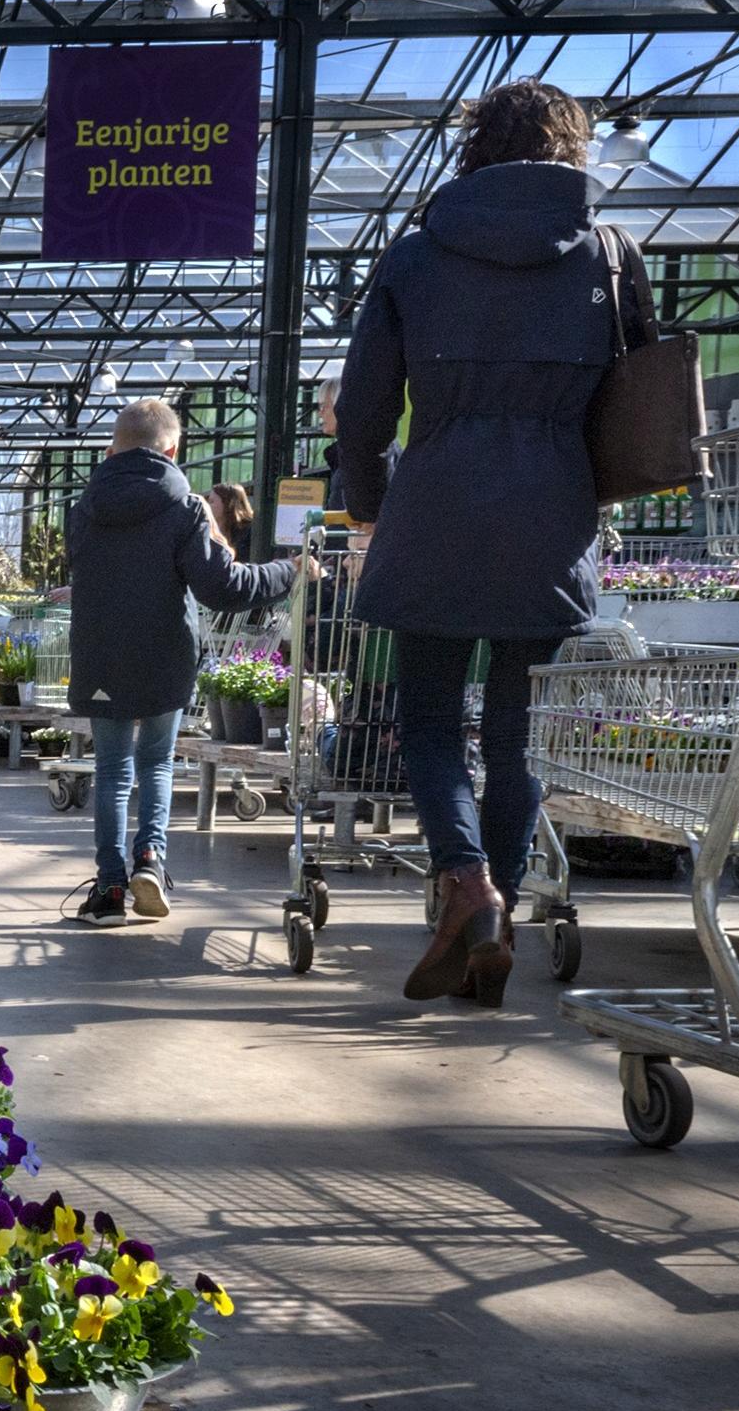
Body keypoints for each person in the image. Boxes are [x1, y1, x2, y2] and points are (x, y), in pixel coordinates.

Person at [341, 77, 654, 1005]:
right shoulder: (604, 254)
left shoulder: (414, 257)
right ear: (571, 148)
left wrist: (369, 503)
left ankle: (467, 884)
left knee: (429, 722)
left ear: (472, 150)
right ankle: (499, 908)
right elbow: (634, 398)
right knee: (517, 743)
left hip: (433, 508)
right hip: (551, 517)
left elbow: (361, 411)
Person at [62, 398, 293, 926]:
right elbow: (222, 588)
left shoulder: (84, 509)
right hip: (164, 653)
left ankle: (110, 889)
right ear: (173, 449)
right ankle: (150, 859)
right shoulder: (185, 506)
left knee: (113, 770)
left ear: (111, 448)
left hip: (100, 657)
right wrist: (288, 571)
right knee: (156, 763)